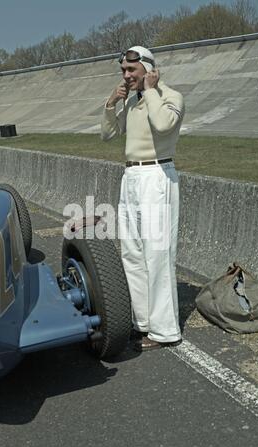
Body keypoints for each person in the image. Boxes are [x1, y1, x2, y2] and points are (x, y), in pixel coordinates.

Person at [101, 46, 185, 351]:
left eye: (131, 71)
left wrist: (150, 90)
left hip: (157, 176)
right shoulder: (133, 102)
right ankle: (142, 321)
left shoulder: (170, 97)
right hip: (131, 177)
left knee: (158, 254)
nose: (126, 75)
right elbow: (109, 134)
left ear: (149, 70)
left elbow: (164, 124)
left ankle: (165, 331)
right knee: (133, 253)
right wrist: (111, 103)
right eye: (123, 70)